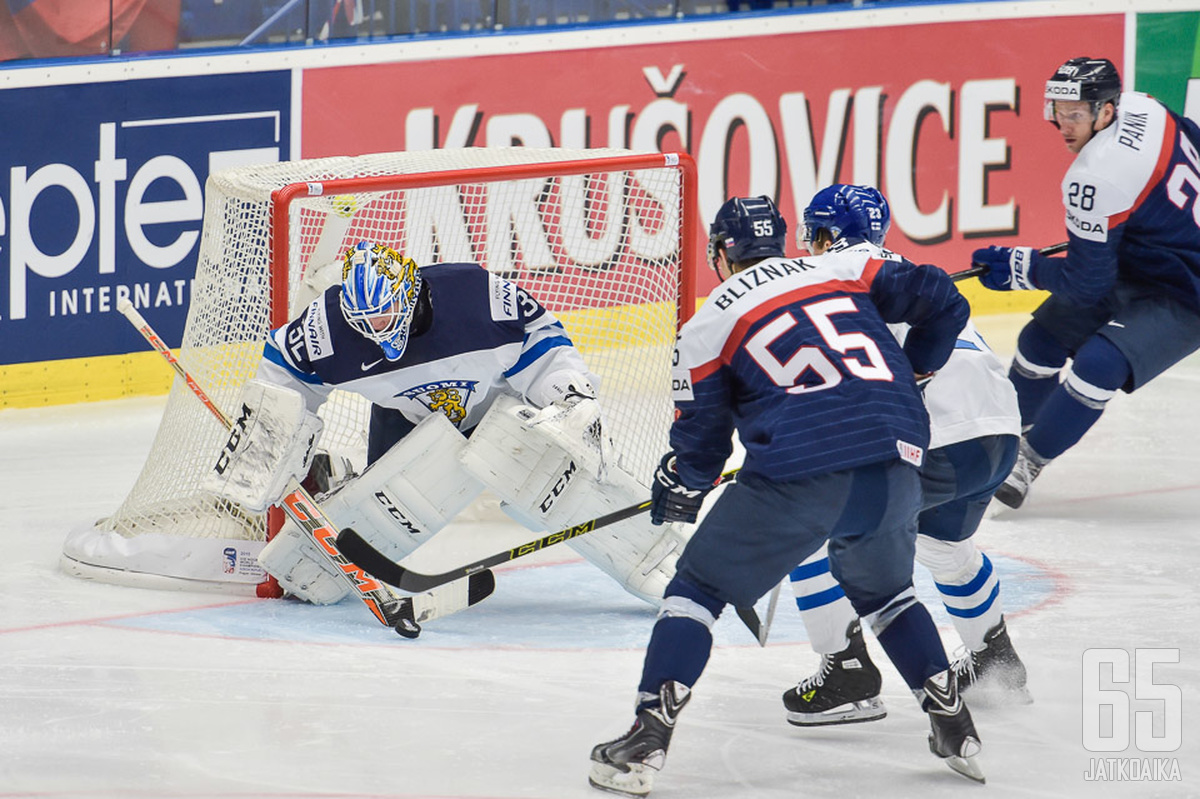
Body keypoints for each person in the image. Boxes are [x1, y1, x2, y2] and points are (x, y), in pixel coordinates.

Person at [588, 194, 985, 797]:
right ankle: (954, 724)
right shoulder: (844, 265)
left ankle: (646, 738)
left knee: (697, 590)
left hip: (804, 475)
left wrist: (680, 485)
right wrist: (914, 371)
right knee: (888, 593)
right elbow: (945, 300)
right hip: (899, 463)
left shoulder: (706, 323)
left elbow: (703, 449)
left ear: (723, 254)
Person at [203, 240, 689, 610]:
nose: (376, 330)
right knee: (374, 522)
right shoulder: (327, 328)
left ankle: (657, 559)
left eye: (386, 313)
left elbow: (542, 337)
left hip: (502, 410)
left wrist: (566, 394)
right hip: (406, 417)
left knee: (561, 488)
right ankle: (323, 510)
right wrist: (271, 432)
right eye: (363, 321)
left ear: (411, 292)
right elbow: (283, 368)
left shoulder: (476, 297)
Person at [779, 185, 1029, 732]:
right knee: (945, 545)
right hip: (999, 433)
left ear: (823, 235)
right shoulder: (905, 270)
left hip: (935, 436)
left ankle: (847, 676)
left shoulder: (827, 277)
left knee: (810, 530)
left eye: (811, 234)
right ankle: (994, 663)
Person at [972, 56, 1200, 508]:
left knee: (1100, 363)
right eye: (1059, 110)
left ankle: (1028, 459)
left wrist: (1022, 268)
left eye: (1076, 113)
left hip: (1186, 289)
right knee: (1042, 339)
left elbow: (1085, 286)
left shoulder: (1095, 176)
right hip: (1147, 257)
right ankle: (997, 442)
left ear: (1107, 111)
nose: (1064, 124)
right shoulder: (1145, 106)